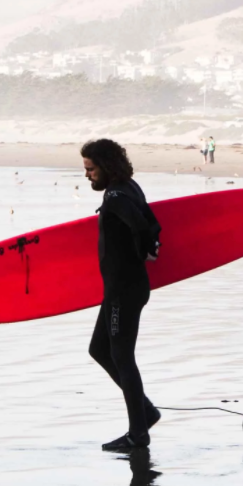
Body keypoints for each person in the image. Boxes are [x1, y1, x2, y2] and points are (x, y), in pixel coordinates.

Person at [81, 138, 163, 451]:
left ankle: (138, 434)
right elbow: (151, 221)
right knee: (99, 349)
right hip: (123, 288)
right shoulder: (130, 187)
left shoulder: (116, 196)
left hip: (122, 291)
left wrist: (145, 249)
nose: (87, 175)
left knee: (122, 358)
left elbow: (142, 227)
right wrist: (150, 248)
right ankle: (146, 412)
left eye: (90, 169)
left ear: (106, 166)